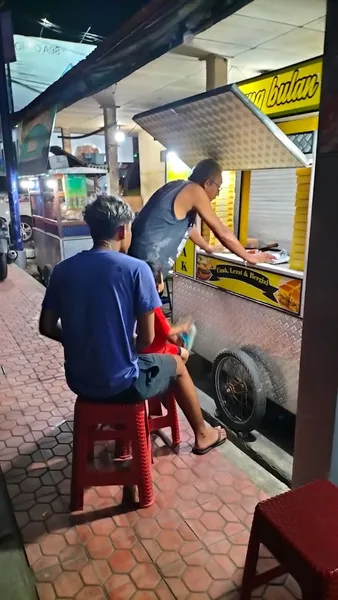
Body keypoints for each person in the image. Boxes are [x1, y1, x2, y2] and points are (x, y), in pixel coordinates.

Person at [39, 195, 226, 455]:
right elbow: (146, 340)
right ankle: (203, 434)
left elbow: (46, 327)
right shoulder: (137, 270)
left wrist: (79, 340)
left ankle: (122, 438)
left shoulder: (62, 269)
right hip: (121, 384)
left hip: (78, 380)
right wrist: (125, 349)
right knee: (178, 366)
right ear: (122, 229)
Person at [129, 158, 275, 277]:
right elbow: (222, 232)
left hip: (138, 259)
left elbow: (188, 228)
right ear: (207, 183)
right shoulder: (195, 190)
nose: (218, 193)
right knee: (144, 311)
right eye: (219, 187)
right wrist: (249, 257)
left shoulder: (177, 185)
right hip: (148, 263)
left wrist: (208, 247)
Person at [142, 262, 191, 364]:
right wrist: (183, 327)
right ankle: (174, 375)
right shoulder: (153, 307)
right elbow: (168, 332)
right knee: (185, 353)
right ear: (157, 285)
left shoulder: (138, 301)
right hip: (155, 349)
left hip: (140, 345)